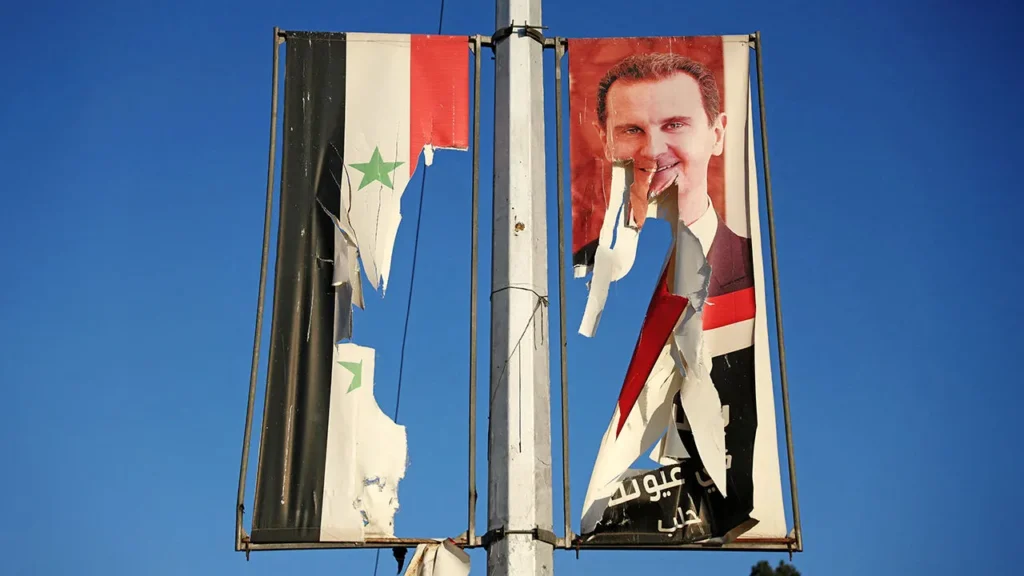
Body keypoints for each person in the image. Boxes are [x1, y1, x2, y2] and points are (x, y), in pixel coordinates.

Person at [590, 52, 759, 541]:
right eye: (632, 130)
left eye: (675, 125)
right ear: (606, 140)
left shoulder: (746, 276)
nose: (654, 149)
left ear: (718, 133)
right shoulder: (576, 261)